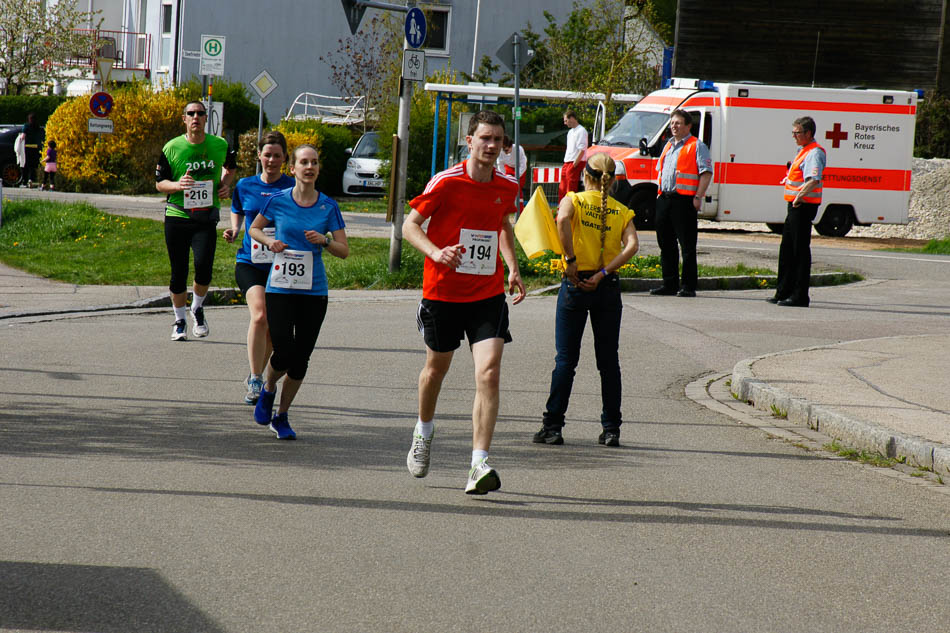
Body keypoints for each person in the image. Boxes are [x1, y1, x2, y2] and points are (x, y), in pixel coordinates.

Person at [403, 109, 526, 495]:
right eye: (485, 138)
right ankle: (423, 431)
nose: (491, 146)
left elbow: (502, 225)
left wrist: (512, 267)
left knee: (489, 372)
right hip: (442, 293)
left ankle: (478, 463)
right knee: (435, 370)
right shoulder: (446, 182)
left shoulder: (507, 185)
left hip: (486, 294)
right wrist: (436, 252)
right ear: (469, 141)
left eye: (498, 140)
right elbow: (409, 226)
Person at [533, 152, 639, 448]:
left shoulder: (574, 200)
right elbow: (633, 245)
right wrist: (604, 272)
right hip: (606, 286)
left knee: (566, 360)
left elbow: (562, 219)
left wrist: (570, 259)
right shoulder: (621, 210)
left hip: (575, 281)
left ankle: (553, 426)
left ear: (585, 176)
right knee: (608, 361)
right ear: (613, 180)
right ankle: (611, 429)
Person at [248, 144, 348, 439]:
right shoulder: (277, 201)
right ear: (292, 169)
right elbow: (254, 229)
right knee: (284, 352)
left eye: (314, 162)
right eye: (304, 162)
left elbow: (344, 250)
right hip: (280, 287)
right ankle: (268, 388)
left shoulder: (328, 206)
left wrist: (325, 241)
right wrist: (270, 242)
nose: (310, 167)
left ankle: (281, 415)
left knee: (301, 359)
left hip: (314, 292)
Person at [155, 100, 237, 341]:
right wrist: (178, 185)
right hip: (177, 215)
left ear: (206, 119)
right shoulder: (172, 147)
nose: (196, 117)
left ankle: (197, 308)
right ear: (184, 119)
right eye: (191, 113)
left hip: (205, 217)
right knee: (178, 272)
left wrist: (225, 185)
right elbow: (159, 183)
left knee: (203, 268)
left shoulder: (219, 145)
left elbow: (230, 168)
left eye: (200, 113)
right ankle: (179, 321)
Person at [224, 131, 295, 404]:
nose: (272, 160)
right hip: (250, 262)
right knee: (260, 315)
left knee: (272, 330)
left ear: (284, 158)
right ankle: (255, 378)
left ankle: (259, 374)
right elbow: (237, 209)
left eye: (277, 156)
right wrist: (234, 229)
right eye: (267, 155)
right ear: (259, 156)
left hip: (283, 264)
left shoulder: (292, 186)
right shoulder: (246, 185)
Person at [649, 109, 712, 298]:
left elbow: (706, 172)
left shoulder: (697, 145)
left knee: (687, 246)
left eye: (678, 123)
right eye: (672, 123)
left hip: (684, 201)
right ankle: (669, 284)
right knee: (666, 243)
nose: (673, 126)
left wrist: (698, 197)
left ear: (688, 126)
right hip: (665, 199)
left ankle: (688, 286)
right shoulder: (668, 145)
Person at [767, 116, 826, 308]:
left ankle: (799, 296)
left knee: (799, 251)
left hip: (802, 206)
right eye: (793, 132)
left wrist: (799, 197)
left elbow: (814, 179)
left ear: (808, 133)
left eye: (797, 132)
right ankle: (783, 291)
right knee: (787, 249)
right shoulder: (803, 150)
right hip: (795, 206)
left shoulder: (814, 152)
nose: (794, 136)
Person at [558, 110, 588, 199]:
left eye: (566, 120)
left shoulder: (581, 131)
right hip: (568, 161)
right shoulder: (570, 132)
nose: (565, 123)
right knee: (563, 186)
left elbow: (582, 149)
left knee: (570, 186)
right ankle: (561, 204)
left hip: (575, 161)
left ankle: (570, 204)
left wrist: (575, 163)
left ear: (571, 118)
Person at [18, 113, 43, 188]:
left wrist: (19, 140)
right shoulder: (37, 127)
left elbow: (23, 136)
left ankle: (24, 181)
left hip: (27, 148)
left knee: (25, 165)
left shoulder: (26, 126)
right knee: (32, 165)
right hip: (35, 148)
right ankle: (31, 179)